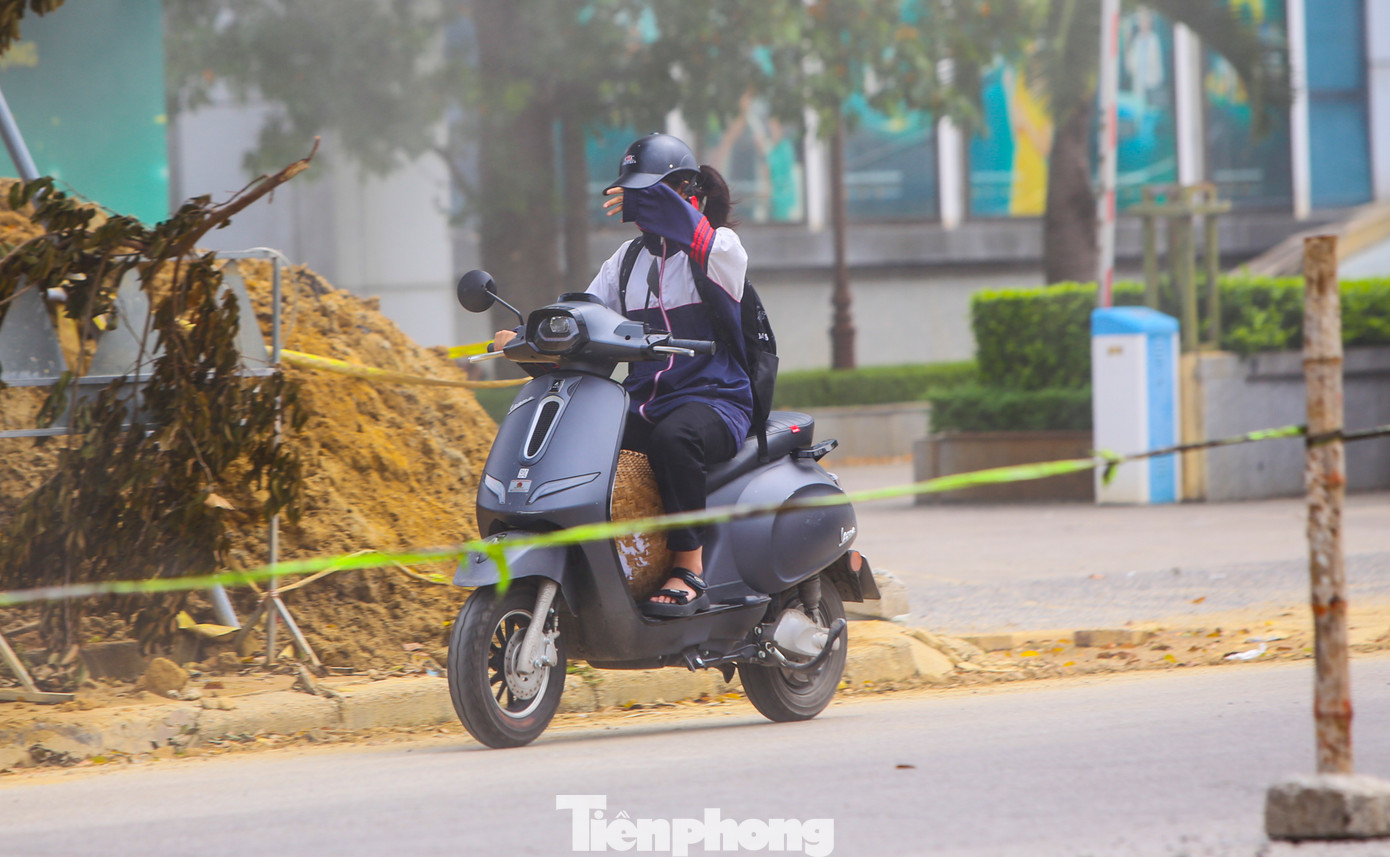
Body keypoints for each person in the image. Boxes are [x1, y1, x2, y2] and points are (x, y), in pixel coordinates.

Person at [492, 132, 752, 618]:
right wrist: (527, 338)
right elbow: (583, 319)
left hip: (715, 402)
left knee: (676, 440)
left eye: (651, 193)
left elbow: (694, 232)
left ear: (687, 194)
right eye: (635, 193)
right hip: (646, 400)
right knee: (582, 439)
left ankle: (688, 567)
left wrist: (664, 204)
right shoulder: (626, 262)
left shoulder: (719, 250)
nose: (638, 207)